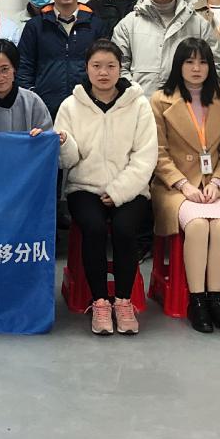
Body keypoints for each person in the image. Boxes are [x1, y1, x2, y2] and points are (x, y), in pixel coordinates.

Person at [55, 40, 156, 336]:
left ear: (120, 69)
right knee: (94, 228)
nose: (103, 72)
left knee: (125, 229)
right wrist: (64, 143)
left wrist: (119, 191)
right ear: (86, 68)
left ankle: (123, 301)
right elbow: (67, 161)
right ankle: (99, 301)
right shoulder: (71, 105)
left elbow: (145, 156)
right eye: (96, 66)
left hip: (130, 189)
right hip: (84, 187)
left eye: (110, 66)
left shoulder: (138, 104)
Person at [150, 38, 220, 333]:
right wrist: (182, 185)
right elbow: (158, 152)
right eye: (189, 62)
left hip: (215, 184)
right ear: (178, 65)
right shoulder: (159, 100)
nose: (196, 68)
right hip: (173, 186)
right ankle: (196, 300)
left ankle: (216, 298)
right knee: (199, 225)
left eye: (202, 62)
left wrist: (218, 181)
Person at [112, 0, 218, 97]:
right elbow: (117, 66)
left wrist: (197, 96)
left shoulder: (198, 24)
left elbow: (214, 64)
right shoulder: (129, 24)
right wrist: (135, 95)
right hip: (141, 102)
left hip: (187, 102)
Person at [16, 0, 105, 117]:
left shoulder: (96, 25)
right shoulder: (35, 26)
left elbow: (105, 66)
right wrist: (33, 98)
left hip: (88, 106)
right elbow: (23, 67)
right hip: (44, 108)